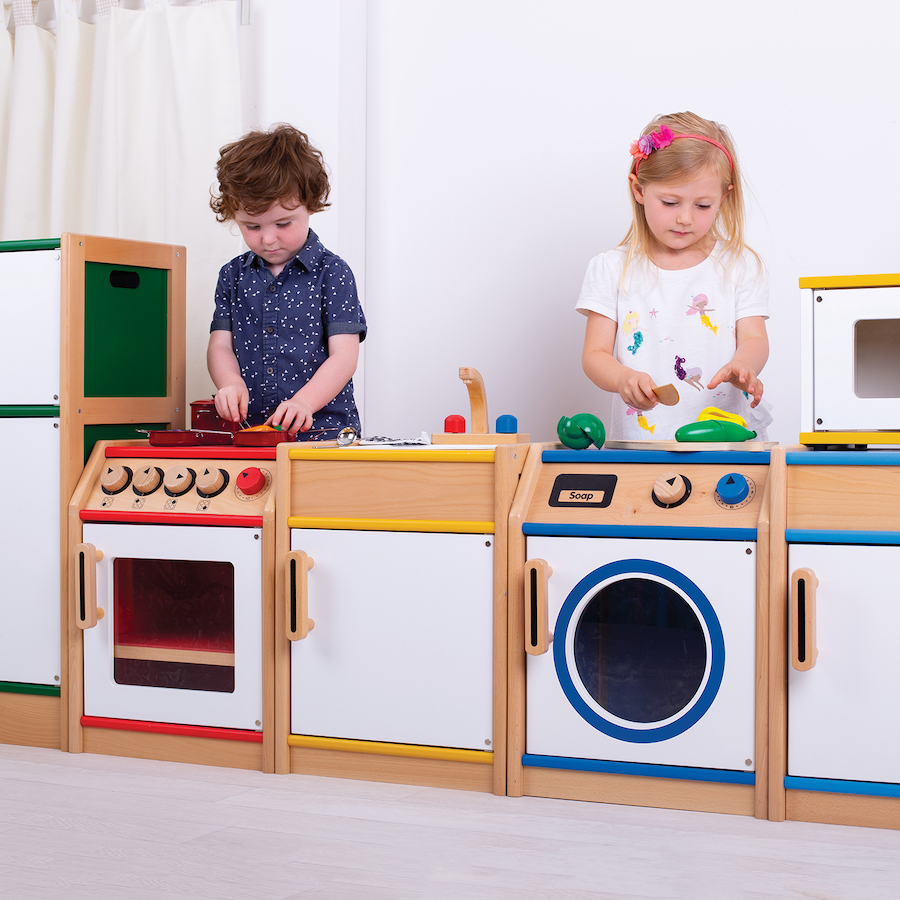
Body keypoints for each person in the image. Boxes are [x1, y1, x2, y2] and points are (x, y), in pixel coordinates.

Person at [578, 111, 771, 441]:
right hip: (643, 446)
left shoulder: (739, 265)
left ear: (723, 198)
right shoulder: (611, 268)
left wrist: (744, 364)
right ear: (639, 189)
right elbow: (594, 355)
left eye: (702, 206)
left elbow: (754, 338)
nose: (685, 218)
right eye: (670, 202)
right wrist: (622, 378)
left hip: (726, 443)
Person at [207, 124, 366, 439]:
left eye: (283, 223)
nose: (268, 239)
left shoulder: (332, 272)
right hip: (253, 435)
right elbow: (220, 345)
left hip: (324, 435)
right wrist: (230, 382)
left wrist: (305, 402)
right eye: (252, 226)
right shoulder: (232, 275)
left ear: (310, 204)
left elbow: (344, 356)